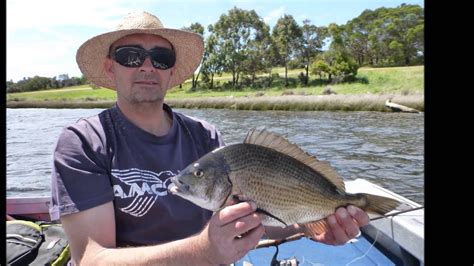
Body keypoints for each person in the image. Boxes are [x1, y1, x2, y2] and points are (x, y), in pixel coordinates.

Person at [50, 11, 370, 265]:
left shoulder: (204, 136)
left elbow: (251, 214)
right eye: (131, 56)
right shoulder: (84, 142)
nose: (148, 66)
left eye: (161, 58)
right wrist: (203, 252)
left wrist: (312, 225)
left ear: (172, 72)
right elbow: (92, 260)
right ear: (109, 68)